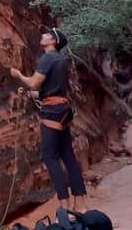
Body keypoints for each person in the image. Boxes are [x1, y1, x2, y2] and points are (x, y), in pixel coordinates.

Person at [10, 27, 87, 209]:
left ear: (52, 41)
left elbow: (34, 83)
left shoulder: (48, 58)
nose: (43, 36)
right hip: (63, 109)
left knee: (50, 157)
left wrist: (18, 75)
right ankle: (81, 205)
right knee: (68, 156)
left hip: (52, 111)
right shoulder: (61, 60)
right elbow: (50, 90)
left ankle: (64, 206)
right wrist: (30, 95)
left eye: (46, 34)